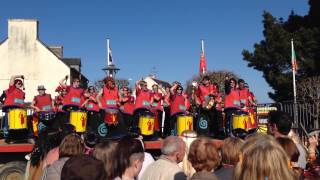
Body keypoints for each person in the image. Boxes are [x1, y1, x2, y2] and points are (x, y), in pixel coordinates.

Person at [1, 75, 26, 140]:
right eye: (18, 83)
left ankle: (17, 136)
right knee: (8, 124)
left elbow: (22, 102)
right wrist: (20, 76)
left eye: (21, 84)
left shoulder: (22, 93)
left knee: (19, 124)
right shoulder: (12, 89)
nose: (20, 84)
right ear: (15, 84)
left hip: (19, 111)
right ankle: (6, 135)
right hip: (11, 109)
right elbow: (12, 77)